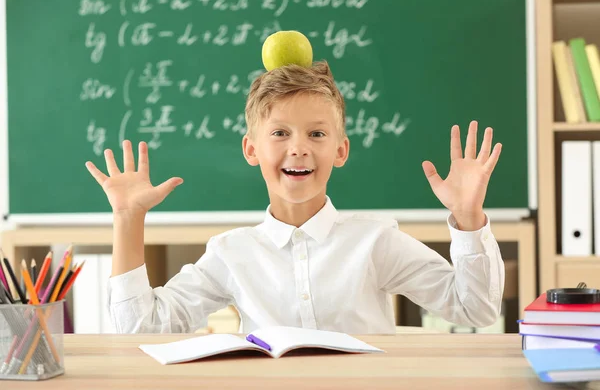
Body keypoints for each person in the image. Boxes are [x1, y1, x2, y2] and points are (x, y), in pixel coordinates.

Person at [85, 61, 504, 334]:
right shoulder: (232, 253)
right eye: (280, 133)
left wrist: (469, 217)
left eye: (317, 134)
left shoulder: (375, 241)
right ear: (252, 150)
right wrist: (127, 218)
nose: (299, 148)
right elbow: (139, 329)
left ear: (340, 150)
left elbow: (477, 312)